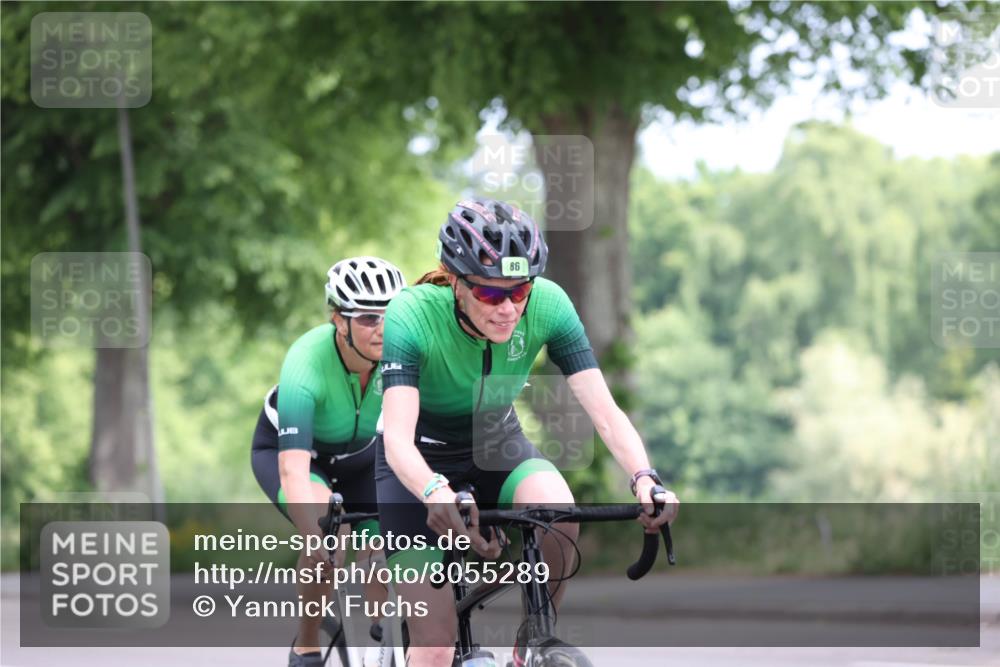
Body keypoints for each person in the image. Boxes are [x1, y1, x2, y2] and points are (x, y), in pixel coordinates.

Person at [376, 198, 680, 667]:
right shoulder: (411, 314)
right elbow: (397, 437)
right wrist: (434, 489)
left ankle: (532, 643)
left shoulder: (550, 305)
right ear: (454, 281)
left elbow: (605, 411)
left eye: (519, 293)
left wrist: (644, 477)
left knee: (558, 512)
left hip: (496, 441)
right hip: (417, 460)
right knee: (434, 645)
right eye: (490, 295)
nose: (508, 309)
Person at [251, 256, 406, 667]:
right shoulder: (306, 360)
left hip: (361, 460)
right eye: (370, 318)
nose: (384, 329)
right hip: (298, 457)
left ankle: (385, 644)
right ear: (339, 320)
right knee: (328, 540)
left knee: (383, 550)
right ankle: (307, 644)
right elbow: (294, 472)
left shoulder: (403, 356)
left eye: (392, 316)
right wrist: (314, 536)